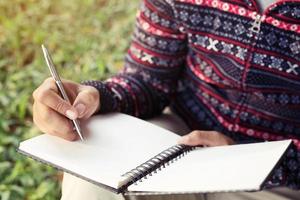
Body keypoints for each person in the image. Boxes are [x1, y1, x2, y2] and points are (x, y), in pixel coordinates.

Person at [32, 0, 300, 199]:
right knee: (93, 184)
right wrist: (96, 97)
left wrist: (251, 159)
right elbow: (149, 79)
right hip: (185, 138)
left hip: (282, 176)